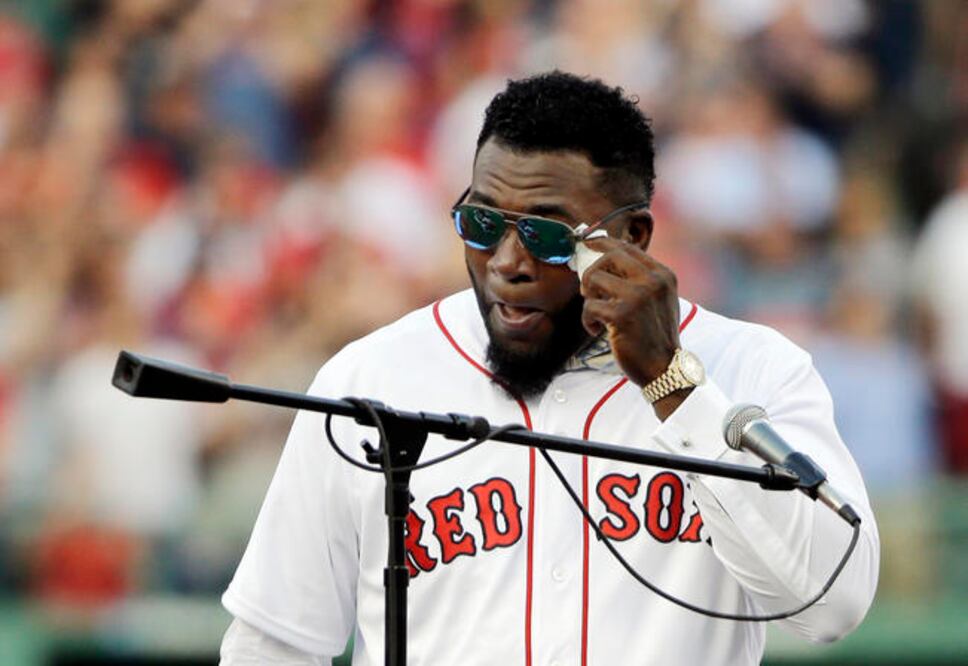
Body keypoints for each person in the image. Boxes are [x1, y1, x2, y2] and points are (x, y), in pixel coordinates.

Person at [219, 71, 879, 665]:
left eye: (546, 233)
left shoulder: (753, 368)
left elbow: (833, 602)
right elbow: (273, 642)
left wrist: (674, 386)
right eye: (481, 223)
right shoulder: (369, 378)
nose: (507, 260)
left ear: (632, 239)